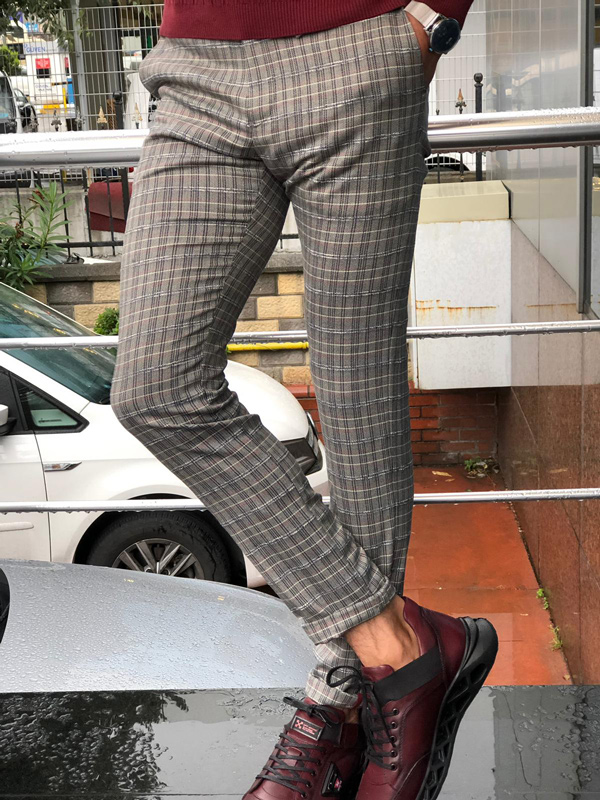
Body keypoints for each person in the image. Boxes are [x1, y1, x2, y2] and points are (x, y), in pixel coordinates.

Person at [110, 1, 498, 798]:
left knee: (356, 385)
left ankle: (341, 703)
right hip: (198, 68)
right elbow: (156, 393)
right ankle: (403, 655)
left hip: (362, 46)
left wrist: (435, 19)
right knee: (155, 386)